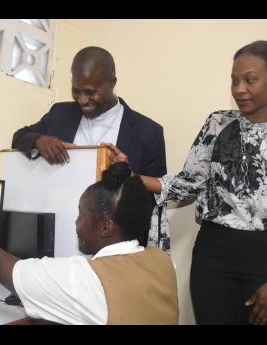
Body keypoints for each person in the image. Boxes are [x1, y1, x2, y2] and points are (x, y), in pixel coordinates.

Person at [104, 40, 267, 325]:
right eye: (234, 80)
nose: (240, 88)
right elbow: (189, 184)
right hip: (213, 254)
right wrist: (132, 177)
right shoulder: (218, 124)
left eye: (250, 80)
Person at [0, 162, 179, 325]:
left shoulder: (85, 279)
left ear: (105, 227)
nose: (76, 223)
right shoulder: (164, 262)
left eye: (82, 215)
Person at [12, 46, 170, 252]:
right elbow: (19, 137)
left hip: (115, 251)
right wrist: (39, 140)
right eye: (76, 91)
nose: (82, 100)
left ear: (112, 83)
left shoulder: (148, 133)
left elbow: (155, 199)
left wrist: (127, 176)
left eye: (90, 92)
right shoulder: (60, 113)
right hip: (59, 238)